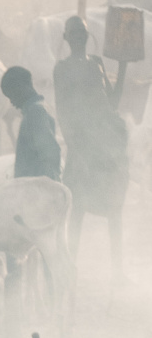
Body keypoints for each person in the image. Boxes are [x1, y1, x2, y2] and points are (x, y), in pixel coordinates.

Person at [51, 15, 128, 269]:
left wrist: (123, 66)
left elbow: (112, 103)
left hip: (106, 146)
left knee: (114, 206)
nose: (79, 37)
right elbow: (63, 111)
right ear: (66, 38)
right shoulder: (62, 68)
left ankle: (117, 271)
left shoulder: (97, 63)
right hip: (82, 147)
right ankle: (70, 267)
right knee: (78, 208)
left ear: (88, 36)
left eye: (82, 33)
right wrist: (76, 148)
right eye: (74, 33)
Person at [0, 66, 61, 180]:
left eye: (12, 95)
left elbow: (49, 152)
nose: (11, 102)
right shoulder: (38, 109)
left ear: (21, 88)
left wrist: (48, 183)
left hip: (34, 185)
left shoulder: (35, 112)